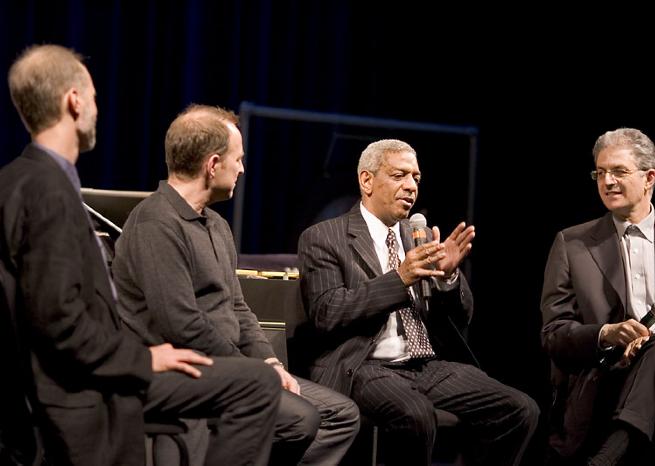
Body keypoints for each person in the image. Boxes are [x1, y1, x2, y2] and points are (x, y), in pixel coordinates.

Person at [0, 44, 282, 466]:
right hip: (83, 386)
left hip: (76, 371)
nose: (97, 107)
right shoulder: (48, 191)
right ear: (74, 101)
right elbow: (56, 318)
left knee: (257, 379)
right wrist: (143, 356)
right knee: (257, 383)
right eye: (94, 96)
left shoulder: (16, 178)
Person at [111, 104, 360, 465]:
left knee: (340, 416)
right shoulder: (156, 223)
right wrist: (253, 371)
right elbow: (182, 325)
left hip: (235, 366)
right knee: (301, 418)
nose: (242, 168)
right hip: (191, 371)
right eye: (238, 159)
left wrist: (270, 361)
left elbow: (239, 309)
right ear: (212, 165)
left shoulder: (217, 226)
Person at [296, 138, 540, 466]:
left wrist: (447, 278)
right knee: (416, 416)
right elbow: (328, 312)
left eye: (416, 178)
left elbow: (461, 318)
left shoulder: (418, 236)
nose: (411, 186)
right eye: (400, 176)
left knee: (520, 409)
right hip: (363, 365)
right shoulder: (325, 237)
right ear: (366, 180)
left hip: (425, 365)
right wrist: (400, 278)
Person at [541, 127, 655, 466]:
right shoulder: (572, 244)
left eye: (619, 171)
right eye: (600, 173)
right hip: (608, 376)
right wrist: (606, 333)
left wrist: (651, 340)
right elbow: (553, 334)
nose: (607, 181)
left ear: (649, 177)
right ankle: (618, 445)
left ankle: (608, 456)